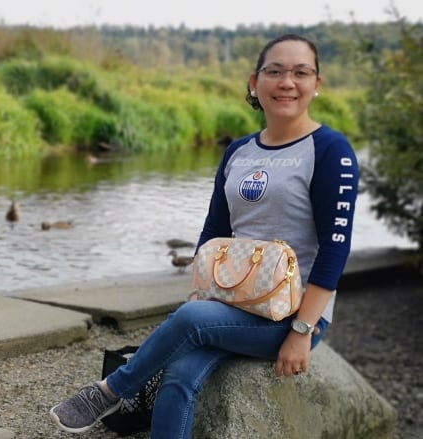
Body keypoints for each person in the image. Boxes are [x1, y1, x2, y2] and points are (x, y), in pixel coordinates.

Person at [48, 33, 360, 438]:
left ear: (316, 85)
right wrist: (202, 292)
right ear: (254, 82)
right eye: (275, 71)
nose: (287, 82)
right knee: (180, 371)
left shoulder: (330, 150)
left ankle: (110, 391)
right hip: (232, 301)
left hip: (291, 314)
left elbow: (336, 248)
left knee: (191, 320)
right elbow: (215, 233)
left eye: (301, 73)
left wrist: (302, 332)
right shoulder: (239, 152)